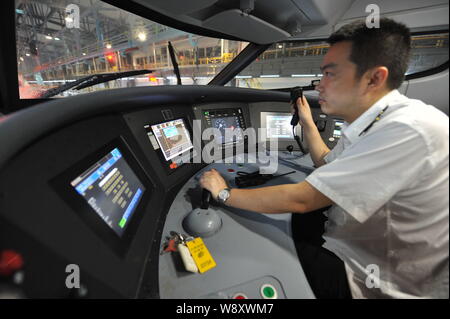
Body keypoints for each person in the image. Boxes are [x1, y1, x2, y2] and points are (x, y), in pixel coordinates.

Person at [199, 18, 449, 299]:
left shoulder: (408, 129)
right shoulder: (376, 121)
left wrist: (224, 194)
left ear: (374, 78)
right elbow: (328, 162)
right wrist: (306, 122)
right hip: (352, 238)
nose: (319, 85)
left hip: (372, 281)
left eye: (331, 74)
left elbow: (302, 199)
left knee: (247, 252)